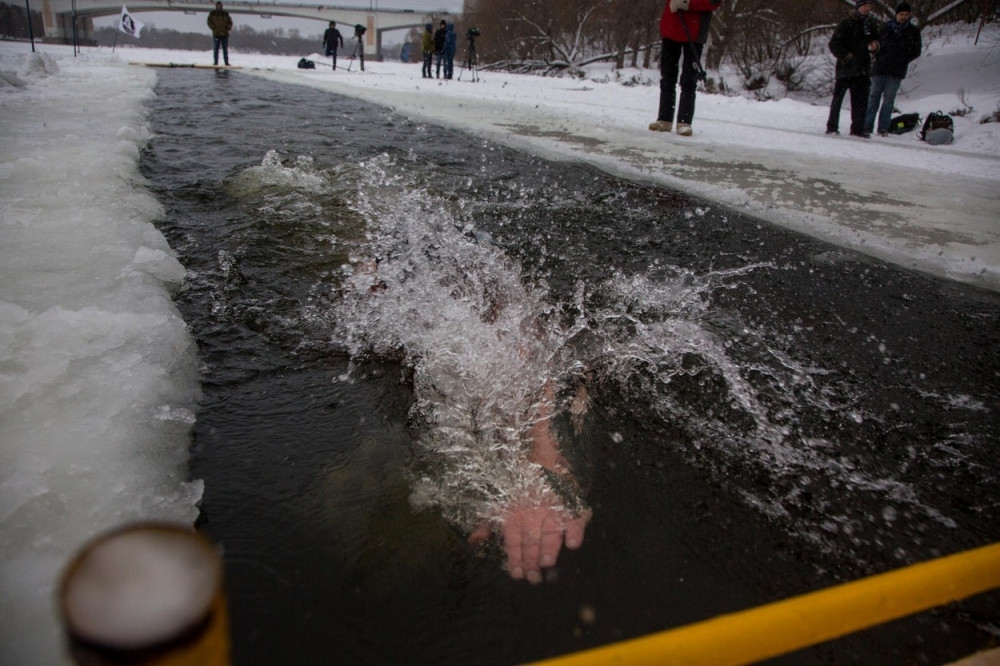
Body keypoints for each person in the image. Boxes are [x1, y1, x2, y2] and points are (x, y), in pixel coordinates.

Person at [649, 0, 723, 137]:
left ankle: (684, 121)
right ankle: (664, 119)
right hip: (671, 29)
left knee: (689, 79)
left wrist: (689, 4)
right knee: (667, 77)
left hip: (694, 32)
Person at [865, 3, 922, 136]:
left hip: (896, 71)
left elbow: (916, 51)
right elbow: (875, 45)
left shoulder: (913, 31)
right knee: (873, 98)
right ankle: (867, 125)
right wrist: (877, 54)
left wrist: (903, 59)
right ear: (896, 15)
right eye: (901, 14)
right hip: (880, 68)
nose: (904, 17)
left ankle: (883, 128)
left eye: (906, 15)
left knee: (888, 101)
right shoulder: (885, 28)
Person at [827, 0, 881, 138]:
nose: (867, 8)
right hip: (845, 68)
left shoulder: (870, 23)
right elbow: (834, 44)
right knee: (838, 100)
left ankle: (858, 128)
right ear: (858, 7)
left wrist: (875, 46)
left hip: (863, 68)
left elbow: (877, 41)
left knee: (861, 101)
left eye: (869, 5)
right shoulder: (846, 23)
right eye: (864, 5)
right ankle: (832, 126)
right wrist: (847, 57)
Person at [207, 2, 233, 67]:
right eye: (218, 6)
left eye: (220, 6)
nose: (219, 7)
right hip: (216, 33)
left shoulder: (225, 13)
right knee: (216, 48)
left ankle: (226, 62)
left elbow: (230, 22)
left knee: (225, 49)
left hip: (224, 34)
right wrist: (214, 28)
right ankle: (215, 62)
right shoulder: (212, 13)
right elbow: (209, 22)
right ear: (216, 6)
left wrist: (228, 28)